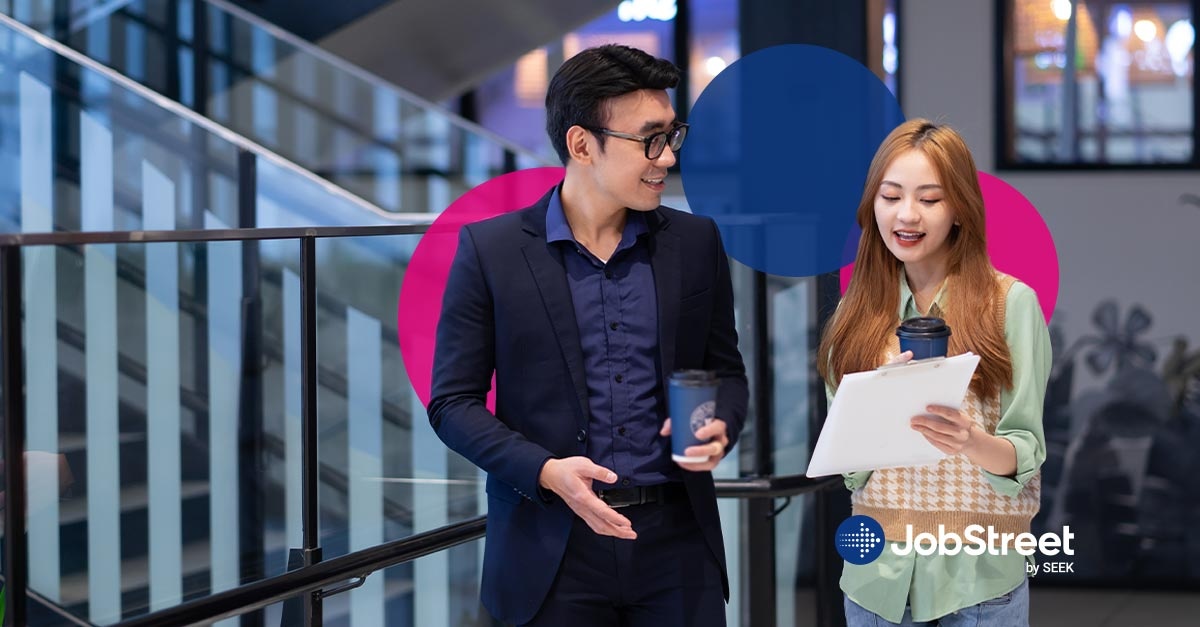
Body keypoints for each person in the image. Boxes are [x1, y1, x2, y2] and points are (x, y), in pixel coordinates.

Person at [428, 44, 748, 627]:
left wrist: (720, 422)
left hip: (676, 543)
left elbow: (724, 371)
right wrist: (546, 471)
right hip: (550, 545)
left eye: (673, 135)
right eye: (650, 139)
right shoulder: (491, 251)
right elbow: (452, 404)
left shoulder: (696, 242)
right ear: (582, 144)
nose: (667, 158)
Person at [817, 119, 1051, 626]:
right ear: (871, 205)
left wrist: (969, 440)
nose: (906, 214)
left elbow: (1024, 454)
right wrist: (876, 405)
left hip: (979, 581)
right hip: (875, 581)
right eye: (891, 196)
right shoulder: (853, 319)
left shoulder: (1010, 305)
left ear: (960, 208)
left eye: (929, 198)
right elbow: (853, 469)